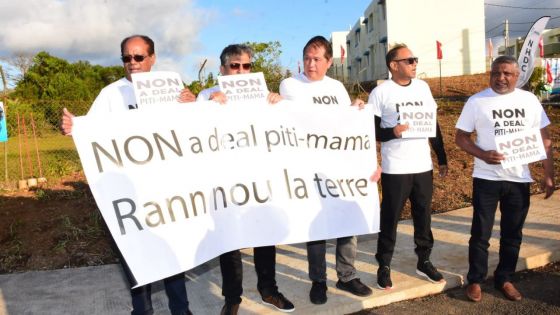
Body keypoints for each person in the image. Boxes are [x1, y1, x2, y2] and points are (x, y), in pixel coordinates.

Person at [61, 34, 194, 315]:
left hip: (168, 193)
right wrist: (74, 126)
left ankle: (181, 310)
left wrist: (193, 107)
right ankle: (142, 311)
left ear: (152, 58)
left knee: (173, 254)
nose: (132, 63)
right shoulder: (110, 95)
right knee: (135, 256)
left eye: (138, 57)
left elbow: (193, 134)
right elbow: (90, 132)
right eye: (126, 57)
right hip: (128, 195)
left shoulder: (173, 90)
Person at [194, 44, 293, 315]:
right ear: (223, 69)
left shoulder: (263, 95)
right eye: (234, 66)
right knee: (230, 241)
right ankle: (233, 297)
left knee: (265, 233)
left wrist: (280, 105)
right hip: (223, 181)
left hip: (259, 177)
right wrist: (208, 107)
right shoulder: (207, 95)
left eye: (246, 66)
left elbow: (289, 125)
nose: (240, 71)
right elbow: (191, 132)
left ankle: (268, 290)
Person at [279, 35, 373, 305]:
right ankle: (318, 281)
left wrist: (356, 110)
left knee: (347, 221)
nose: (310, 64)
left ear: (329, 62)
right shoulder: (289, 85)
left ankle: (347, 276)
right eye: (307, 58)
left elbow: (347, 126)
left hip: (338, 167)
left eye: (317, 59)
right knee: (316, 227)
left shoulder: (337, 89)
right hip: (307, 167)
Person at [455, 55, 554, 303]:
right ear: (490, 74)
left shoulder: (529, 100)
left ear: (516, 76)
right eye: (496, 73)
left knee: (513, 233)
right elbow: (461, 137)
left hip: (519, 179)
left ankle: (505, 278)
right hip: (486, 178)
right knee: (481, 233)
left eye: (507, 74)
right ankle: (475, 280)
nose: (501, 78)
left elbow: (544, 139)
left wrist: (549, 174)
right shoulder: (477, 102)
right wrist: (482, 154)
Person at [367, 43, 448, 291]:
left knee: (423, 216)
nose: (414, 64)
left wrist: (442, 158)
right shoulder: (381, 93)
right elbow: (372, 132)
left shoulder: (422, 88)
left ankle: (424, 260)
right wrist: (393, 132)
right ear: (394, 65)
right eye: (409, 60)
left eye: (415, 60)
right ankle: (384, 264)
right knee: (390, 218)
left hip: (422, 166)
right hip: (396, 168)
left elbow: (432, 124)